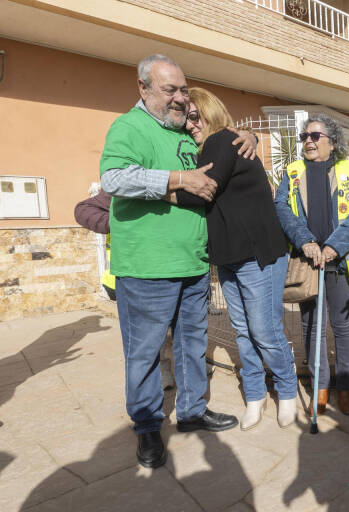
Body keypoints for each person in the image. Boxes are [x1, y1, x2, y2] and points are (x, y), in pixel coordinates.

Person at [99, 54, 241, 469]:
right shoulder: (129, 127)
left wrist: (244, 134)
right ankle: (147, 426)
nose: (180, 99)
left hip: (192, 263)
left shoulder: (182, 134)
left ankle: (193, 411)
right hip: (147, 268)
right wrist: (178, 179)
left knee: (192, 344)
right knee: (144, 353)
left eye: (183, 89)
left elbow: (217, 146)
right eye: (170, 90)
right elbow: (114, 179)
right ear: (143, 89)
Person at [169, 87, 298, 430]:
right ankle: (255, 396)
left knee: (265, 331)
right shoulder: (222, 143)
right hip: (229, 255)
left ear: (211, 113)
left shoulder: (222, 142)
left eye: (195, 117)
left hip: (257, 255)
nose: (190, 125)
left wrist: (159, 191)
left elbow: (203, 191)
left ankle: (287, 392)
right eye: (186, 120)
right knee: (243, 331)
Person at [274, 114, 349, 416]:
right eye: (304, 137)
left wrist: (333, 247)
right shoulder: (291, 172)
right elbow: (281, 209)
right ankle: (321, 386)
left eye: (315, 136)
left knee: (344, 328)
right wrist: (306, 241)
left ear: (332, 141)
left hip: (340, 263)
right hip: (308, 263)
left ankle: (345, 387)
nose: (308, 142)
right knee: (312, 327)